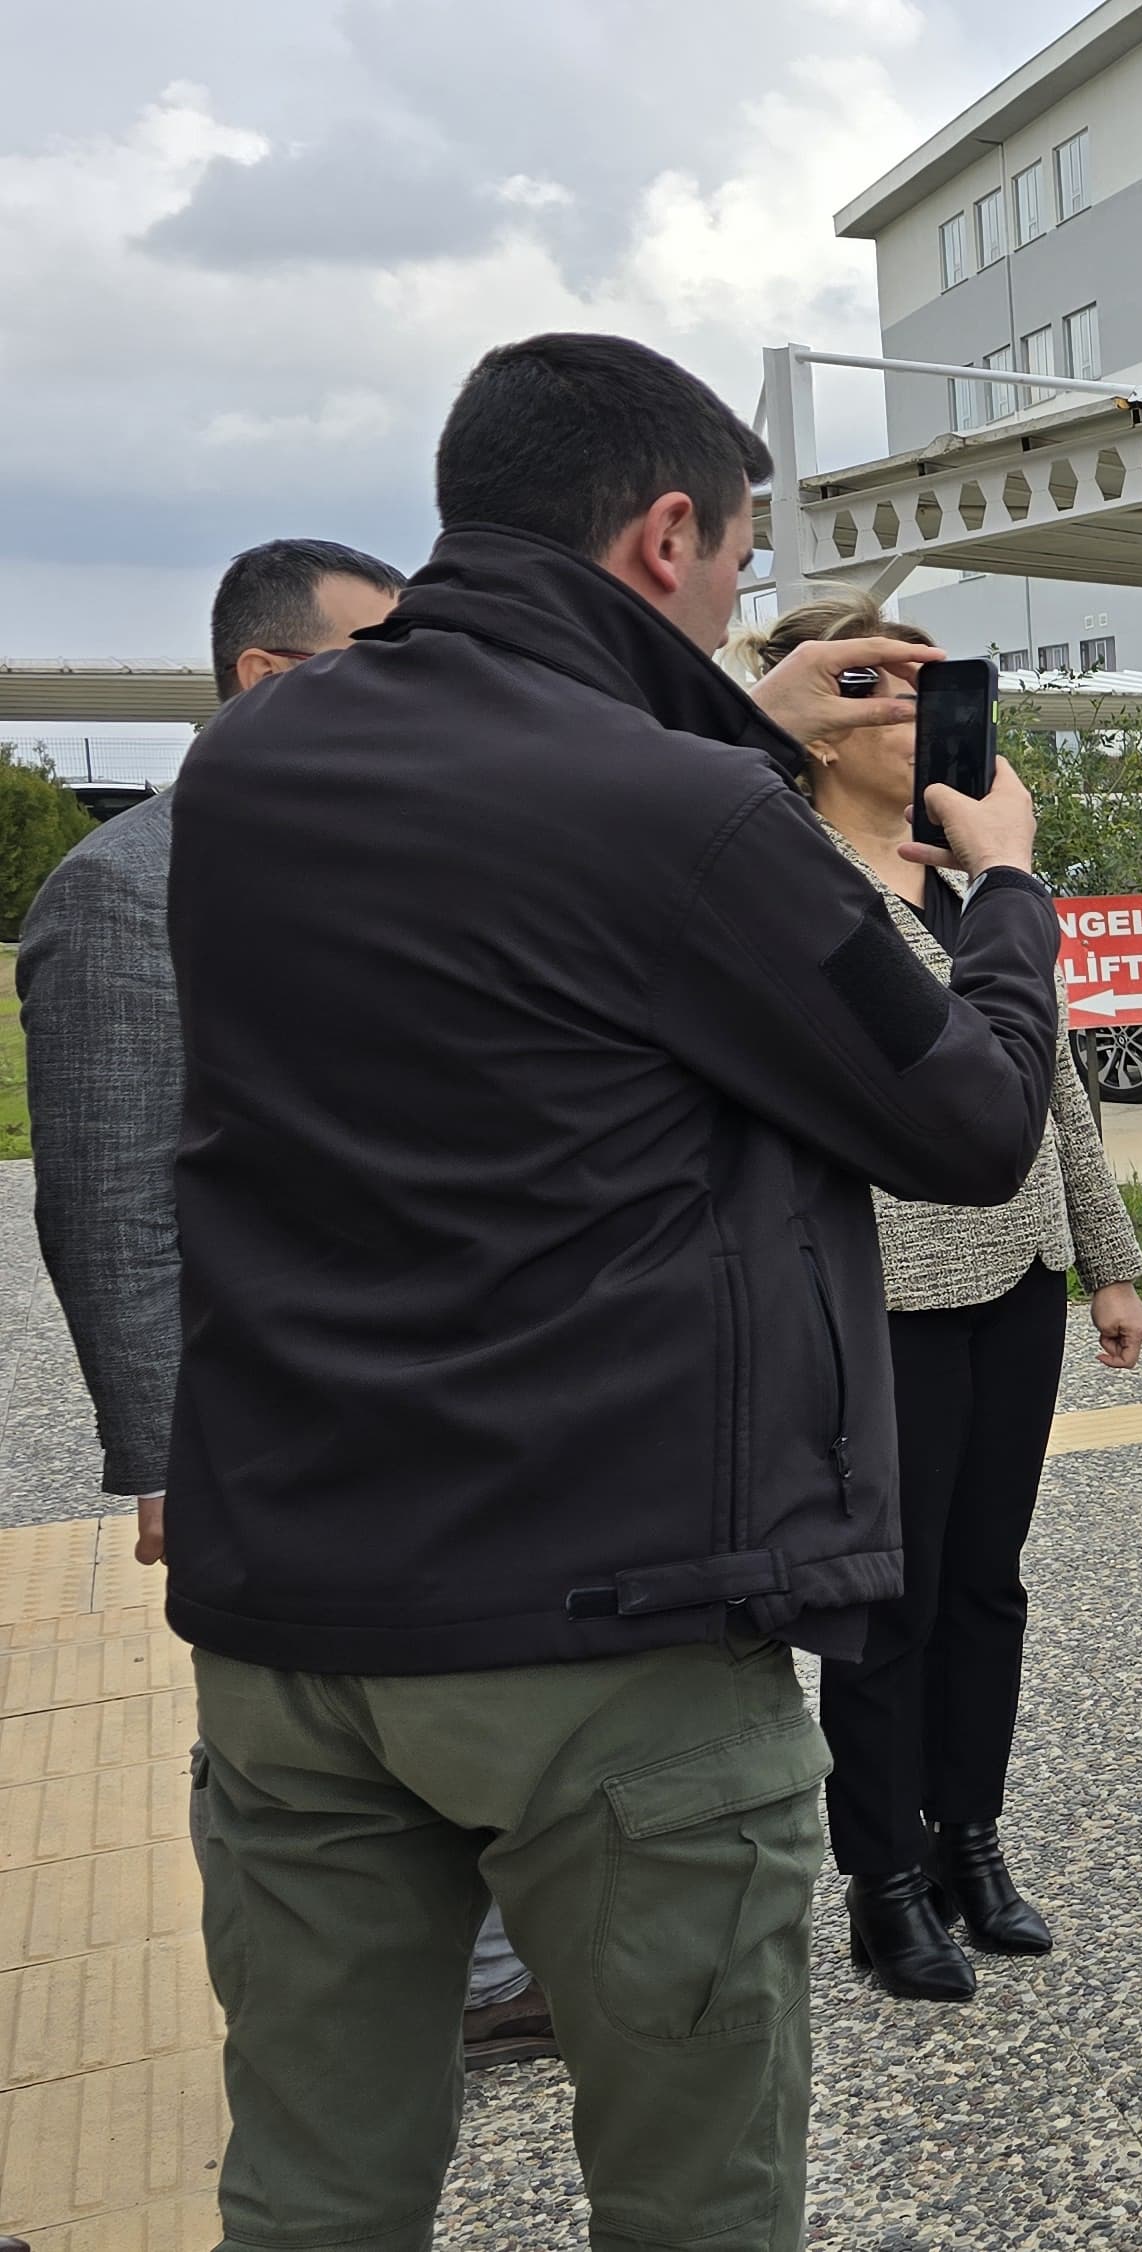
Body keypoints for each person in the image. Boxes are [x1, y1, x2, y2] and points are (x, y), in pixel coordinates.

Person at [166, 332, 1060, 2250]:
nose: (742, 593)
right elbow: (968, 1121)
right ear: (667, 532)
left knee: (312, 2182)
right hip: (609, 1616)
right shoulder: (685, 816)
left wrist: (745, 714)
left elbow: (531, 867)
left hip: (295, 1610)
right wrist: (1001, 893)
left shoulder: (250, 768)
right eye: (736, 561)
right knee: (693, 2192)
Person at [20, 536, 569, 2073]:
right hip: (262, 1411)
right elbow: (111, 1197)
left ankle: (488, 1968)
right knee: (289, 1712)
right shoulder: (126, 893)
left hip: (450, 1376)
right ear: (271, 677)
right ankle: (327, 1999)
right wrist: (164, 1454)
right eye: (390, 659)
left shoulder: (417, 862)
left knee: (460, 1671)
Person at [743, 594, 1142, 2003]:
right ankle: (887, 1877)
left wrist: (1107, 1257)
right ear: (810, 717)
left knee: (988, 1581)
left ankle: (971, 1835)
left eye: (931, 688)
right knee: (889, 1595)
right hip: (886, 1287)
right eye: (877, 687)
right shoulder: (783, 878)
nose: (916, 714)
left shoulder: (968, 872)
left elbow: (1051, 1079)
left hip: (1013, 1274)